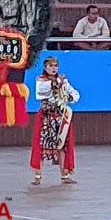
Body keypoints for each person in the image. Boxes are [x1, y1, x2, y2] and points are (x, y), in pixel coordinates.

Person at [30, 57, 80, 185]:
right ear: (45, 68)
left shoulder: (63, 81)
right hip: (47, 117)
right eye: (50, 66)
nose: (53, 68)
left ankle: (64, 175)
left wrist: (69, 96)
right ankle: (38, 176)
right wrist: (58, 83)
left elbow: (75, 94)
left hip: (60, 117)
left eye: (55, 66)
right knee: (42, 145)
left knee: (62, 146)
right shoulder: (41, 81)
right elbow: (42, 92)